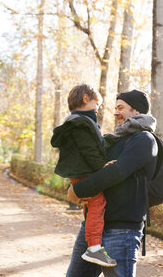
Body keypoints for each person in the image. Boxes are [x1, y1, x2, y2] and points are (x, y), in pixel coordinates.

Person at [66, 89, 158, 277]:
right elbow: (90, 170)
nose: (115, 112)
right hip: (93, 227)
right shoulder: (114, 139)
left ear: (137, 111)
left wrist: (77, 191)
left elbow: (116, 172)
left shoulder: (144, 140)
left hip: (122, 229)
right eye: (115, 108)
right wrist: (73, 187)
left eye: (120, 108)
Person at [51, 84, 117, 267]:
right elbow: (88, 149)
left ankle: (92, 243)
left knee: (90, 205)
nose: (98, 108)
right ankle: (94, 248)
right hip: (86, 171)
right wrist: (101, 166)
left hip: (79, 171)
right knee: (98, 203)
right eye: (97, 103)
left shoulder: (75, 121)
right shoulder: (81, 123)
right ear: (86, 99)